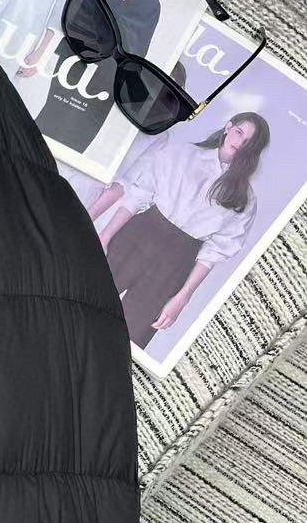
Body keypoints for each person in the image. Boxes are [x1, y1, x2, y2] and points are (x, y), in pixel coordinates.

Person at [98, 112, 270, 348]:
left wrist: (183, 297)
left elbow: (214, 252)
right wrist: (104, 236)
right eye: (239, 132)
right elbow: (139, 194)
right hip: (136, 237)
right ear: (228, 127)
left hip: (176, 263)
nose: (240, 143)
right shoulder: (182, 153)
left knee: (127, 339)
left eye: (249, 142)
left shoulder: (245, 199)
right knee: (83, 296)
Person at [28, 0, 176, 152]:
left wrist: (125, 85)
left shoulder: (153, 5)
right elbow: (72, 6)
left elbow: (140, 49)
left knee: (82, 126)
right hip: (75, 54)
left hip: (109, 72)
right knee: (55, 108)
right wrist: (44, 49)